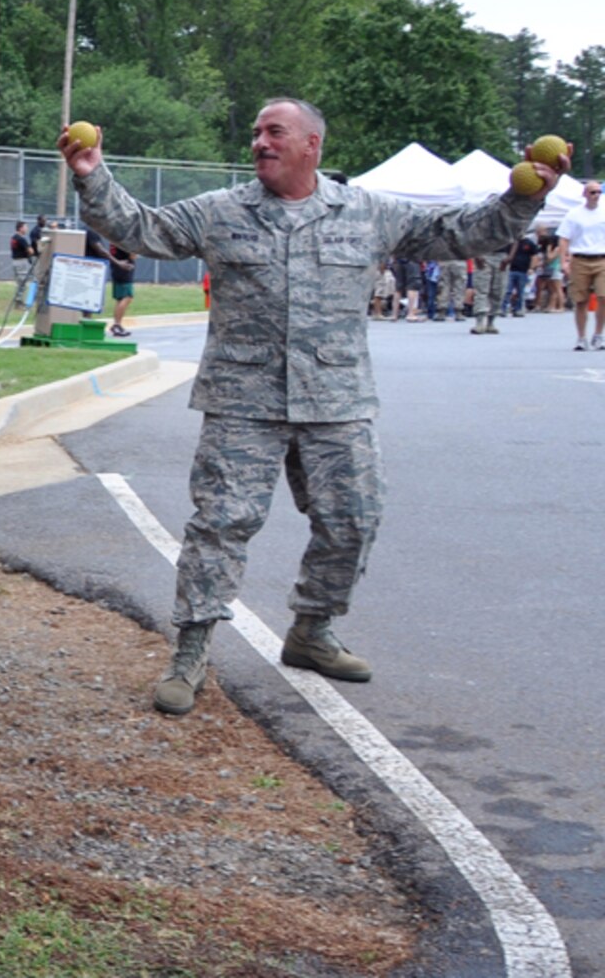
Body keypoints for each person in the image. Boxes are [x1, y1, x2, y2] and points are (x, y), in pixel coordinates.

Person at [58, 99, 560, 716]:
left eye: (275, 132)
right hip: (244, 400)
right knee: (221, 525)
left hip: (336, 399)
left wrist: (524, 198)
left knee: (353, 519)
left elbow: (461, 233)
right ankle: (191, 652)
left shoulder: (368, 212)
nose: (260, 142)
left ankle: (311, 631)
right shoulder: (221, 212)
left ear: (311, 145)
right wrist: (91, 172)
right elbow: (141, 228)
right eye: (256, 133)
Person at [555, 180, 605, 350]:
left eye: (599, 192)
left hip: (602, 259)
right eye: (592, 192)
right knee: (580, 300)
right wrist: (564, 261)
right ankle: (581, 337)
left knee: (603, 297)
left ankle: (598, 335)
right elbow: (563, 238)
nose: (596, 195)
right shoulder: (574, 214)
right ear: (584, 194)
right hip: (580, 259)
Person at [502, 233, 539, 318]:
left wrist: (532, 268)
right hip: (510, 270)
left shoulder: (529, 243)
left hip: (523, 271)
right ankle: (503, 309)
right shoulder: (510, 243)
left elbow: (534, 256)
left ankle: (518, 309)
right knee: (507, 290)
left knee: (521, 292)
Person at [107, 242, 137, 337]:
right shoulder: (125, 239)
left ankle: (117, 324)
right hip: (125, 267)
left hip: (116, 267)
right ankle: (117, 324)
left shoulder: (114, 238)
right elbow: (132, 256)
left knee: (120, 298)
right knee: (128, 296)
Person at [10, 221, 35, 289]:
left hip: (15, 261)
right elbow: (31, 251)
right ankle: (20, 297)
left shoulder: (13, 237)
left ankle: (18, 297)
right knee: (23, 281)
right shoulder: (21, 239)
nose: (27, 229)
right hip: (22, 262)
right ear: (21, 228)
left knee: (19, 281)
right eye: (26, 227)